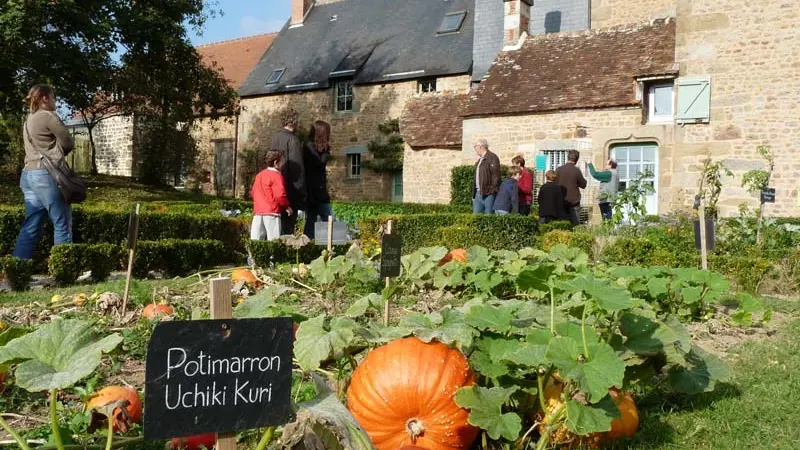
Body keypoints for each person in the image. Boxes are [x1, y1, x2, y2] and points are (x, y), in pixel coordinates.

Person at [13, 84, 75, 260]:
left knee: (31, 225)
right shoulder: (48, 116)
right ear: (45, 98)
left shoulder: (28, 120)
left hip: (28, 175)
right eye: (54, 97)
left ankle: (17, 269)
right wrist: (56, 153)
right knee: (62, 222)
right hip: (46, 175)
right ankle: (64, 269)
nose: (56, 101)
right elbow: (68, 142)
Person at [270, 108, 304, 235]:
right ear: (295, 122)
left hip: (274, 188)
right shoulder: (293, 140)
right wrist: (302, 196)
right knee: (287, 231)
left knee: (275, 231)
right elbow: (297, 171)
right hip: (289, 191)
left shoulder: (274, 138)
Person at [250, 150, 291, 242]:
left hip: (258, 211)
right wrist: (286, 206)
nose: (283, 164)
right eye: (282, 161)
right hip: (272, 211)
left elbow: (253, 192)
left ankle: (253, 257)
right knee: (273, 241)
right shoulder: (276, 175)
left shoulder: (259, 175)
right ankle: (273, 257)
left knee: (256, 240)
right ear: (276, 162)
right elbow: (280, 195)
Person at [303, 120, 333, 239]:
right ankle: (332, 243)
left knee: (312, 221)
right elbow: (318, 164)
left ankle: (308, 244)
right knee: (328, 219)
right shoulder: (308, 147)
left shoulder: (320, 148)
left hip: (319, 191)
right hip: (313, 192)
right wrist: (325, 152)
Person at [556, 150, 587, 226]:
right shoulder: (576, 171)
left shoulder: (558, 169)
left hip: (561, 199)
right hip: (574, 200)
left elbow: (555, 183)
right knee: (575, 224)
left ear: (568, 157)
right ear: (576, 159)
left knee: (562, 224)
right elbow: (583, 184)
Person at [472, 138, 501, 214]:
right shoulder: (480, 160)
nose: (475, 148)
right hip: (479, 192)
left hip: (488, 193)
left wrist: (492, 190)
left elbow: (496, 176)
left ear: (481, 146)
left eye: (475, 146)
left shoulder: (492, 157)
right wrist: (474, 193)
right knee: (476, 216)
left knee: (488, 216)